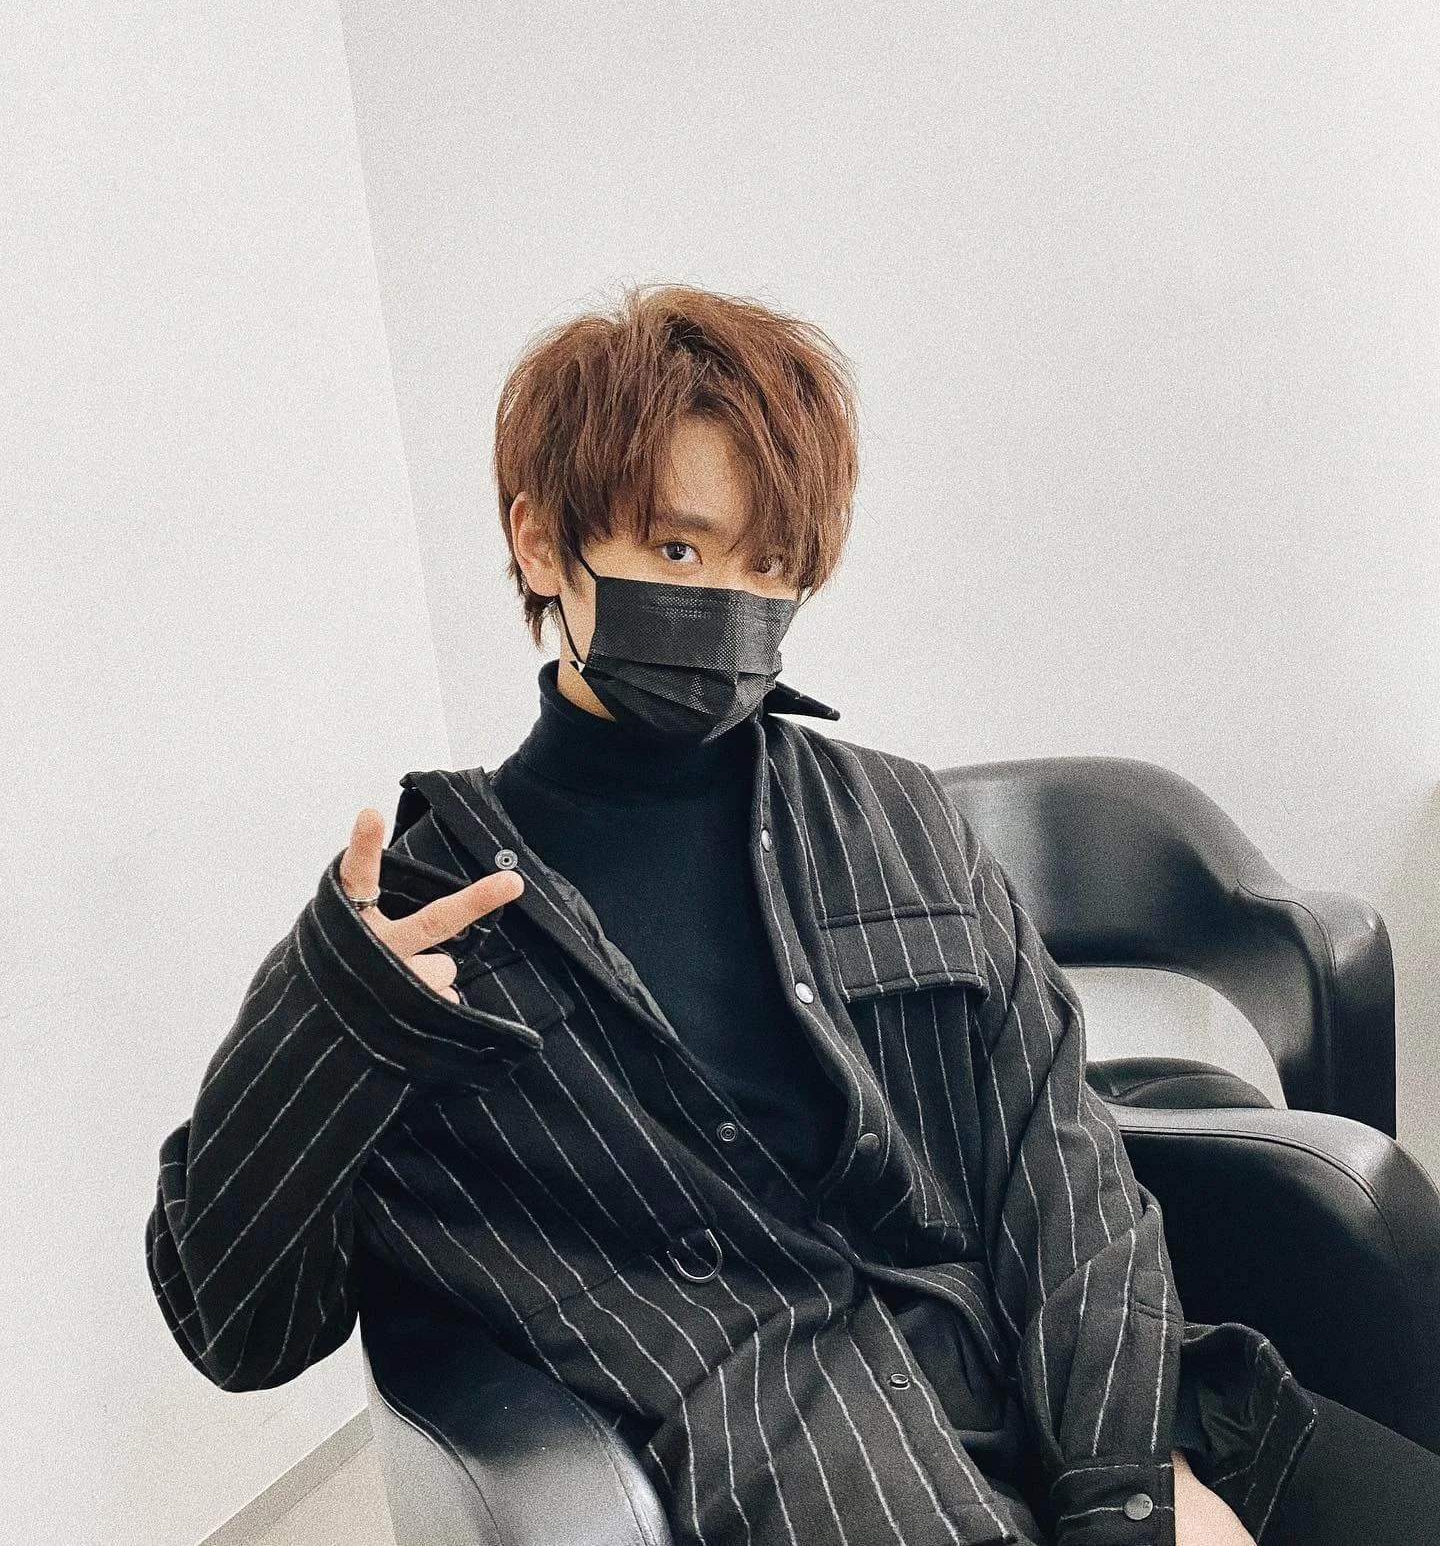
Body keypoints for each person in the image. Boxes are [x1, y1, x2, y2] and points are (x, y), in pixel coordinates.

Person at [146, 283, 1440, 1545]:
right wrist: (332, 1027)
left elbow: (1065, 1179)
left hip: (1109, 1416)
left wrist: (1132, 1490)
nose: (729, 604)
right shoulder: (425, 928)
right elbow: (238, 1326)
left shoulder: (897, 819)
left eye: (769, 564)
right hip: (825, 1484)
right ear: (541, 544)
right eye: (677, 549)